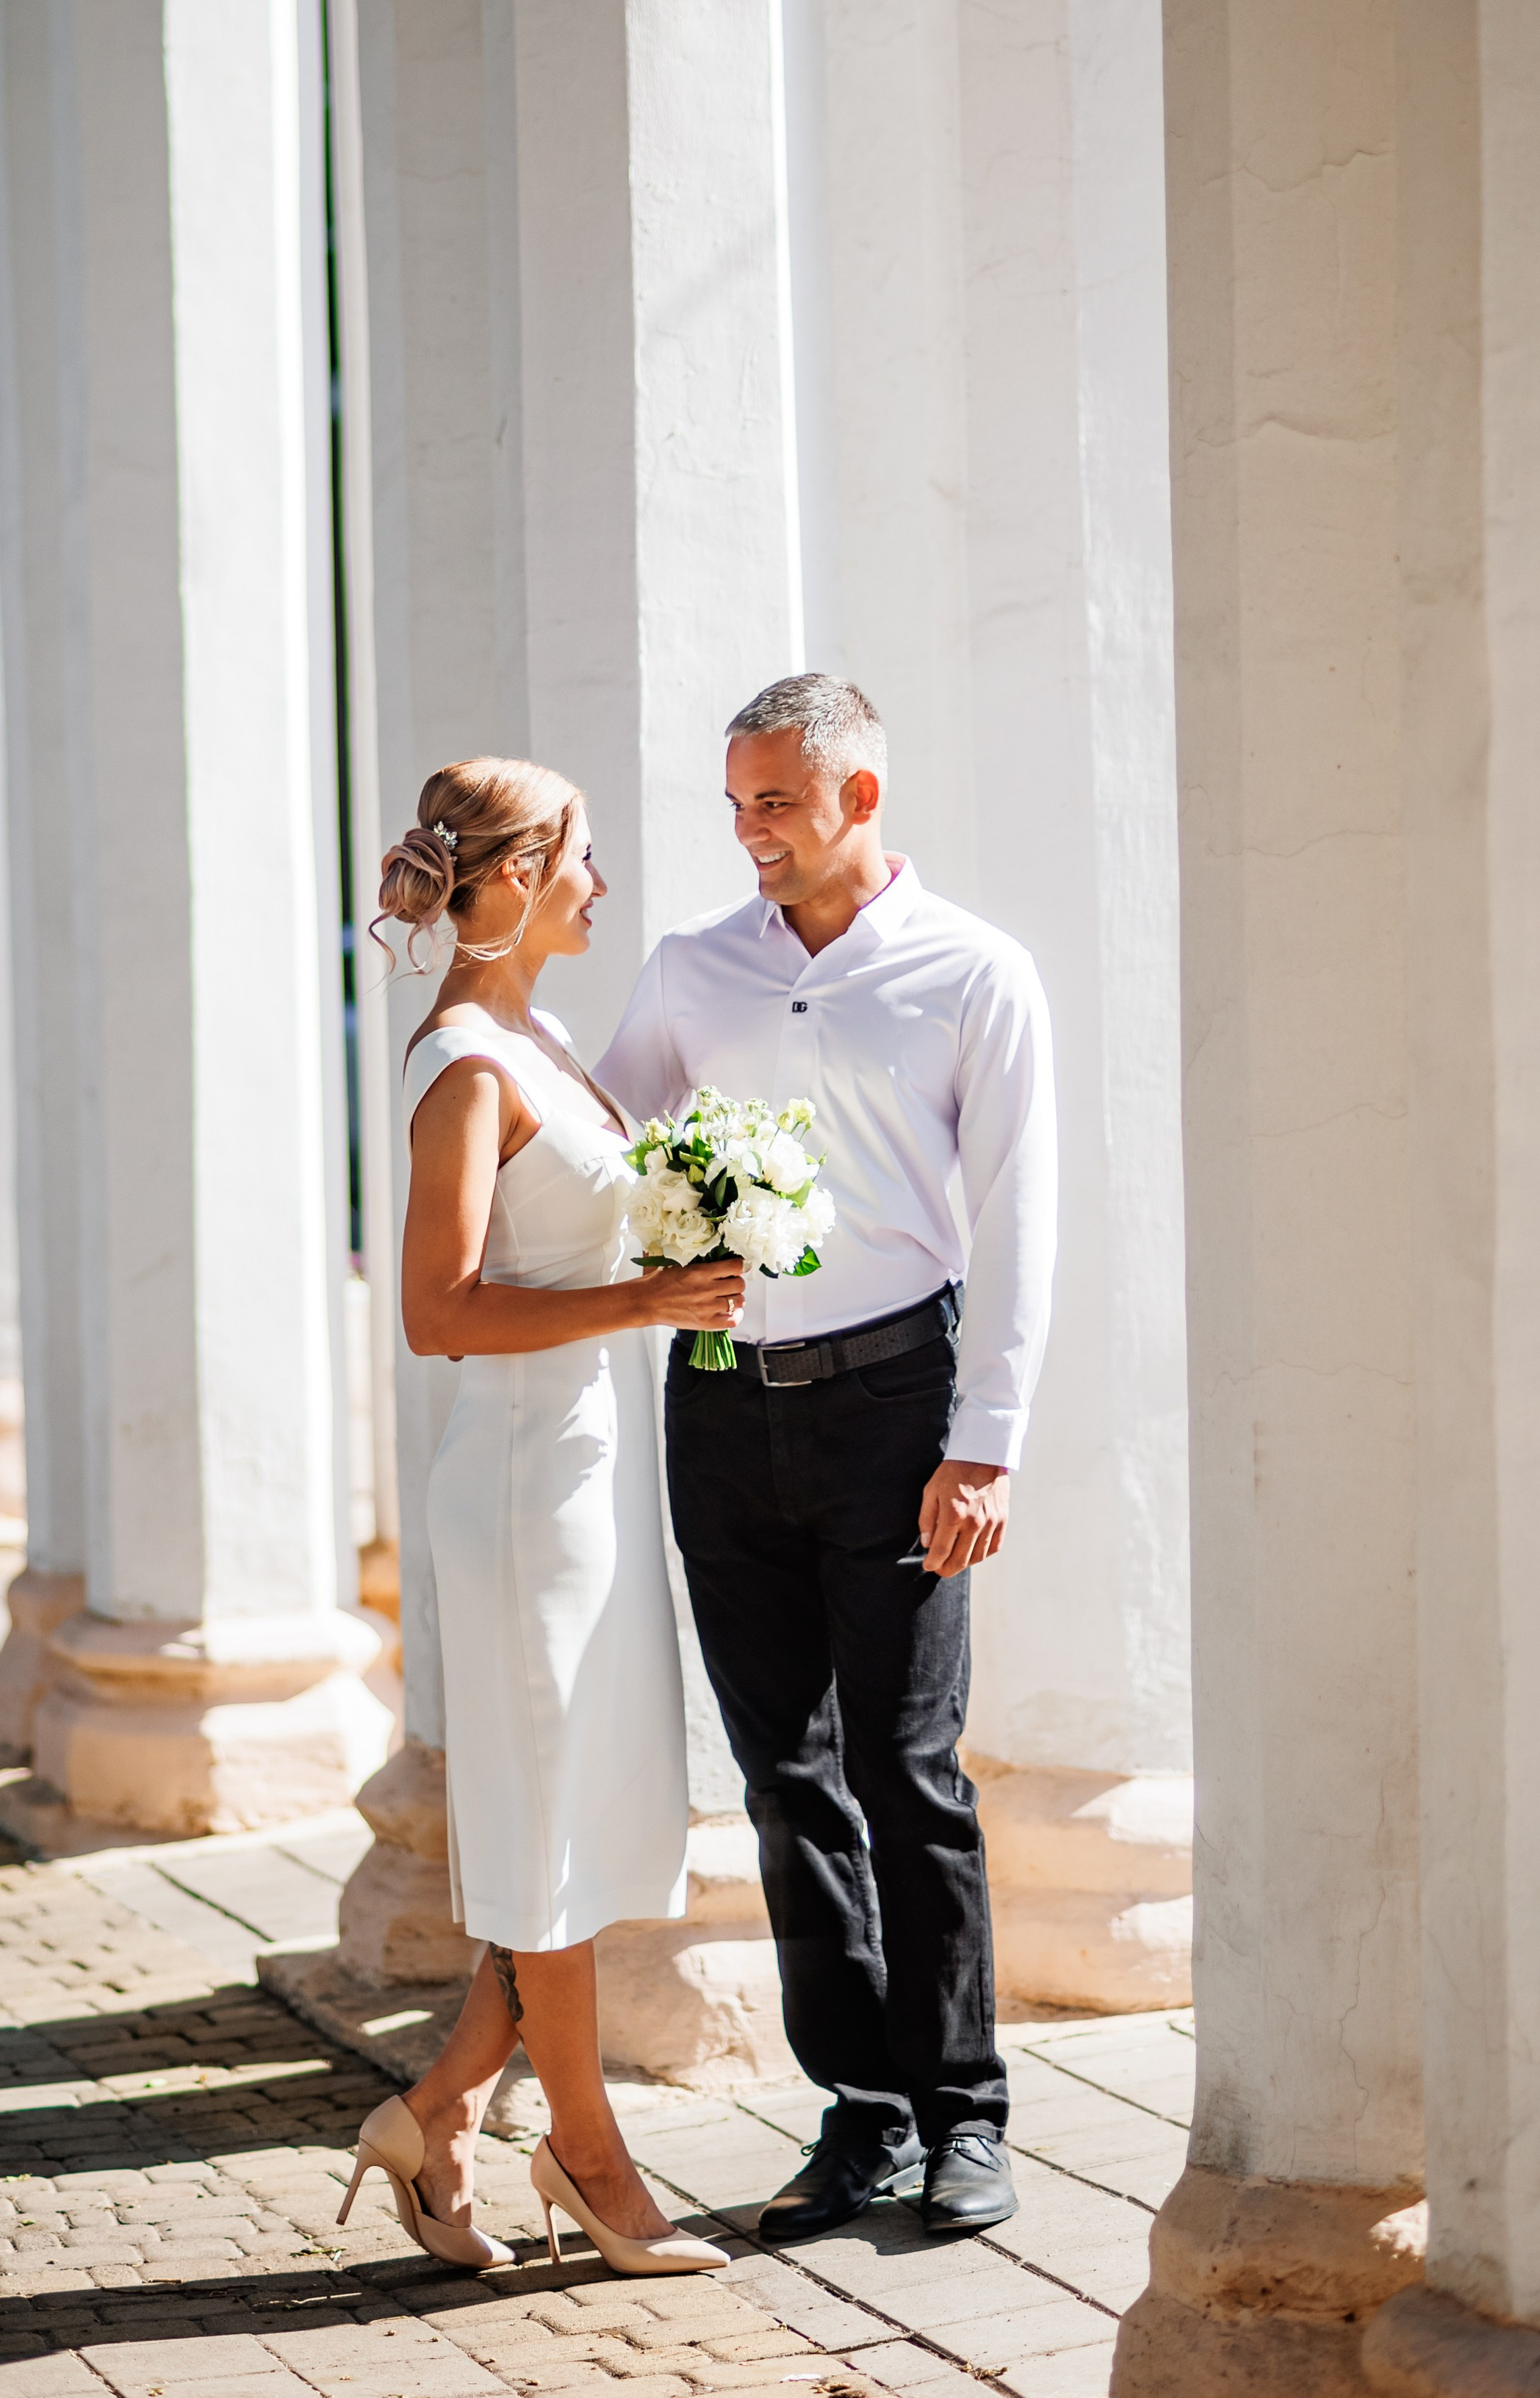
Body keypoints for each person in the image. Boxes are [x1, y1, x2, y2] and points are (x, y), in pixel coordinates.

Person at [598, 675, 1057, 2242]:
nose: (747, 834)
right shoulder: (690, 969)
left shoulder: (971, 973)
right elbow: (599, 1142)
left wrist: (982, 1446)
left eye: (773, 804)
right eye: (734, 803)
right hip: (717, 1397)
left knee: (904, 1769)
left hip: (894, 1409)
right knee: (783, 1781)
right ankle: (859, 2116)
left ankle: (964, 2115)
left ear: (859, 797)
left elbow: (1017, 1218)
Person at [339, 757, 743, 2276]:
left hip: (592, 1473)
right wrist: (650, 1296)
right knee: (549, 1829)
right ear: (508, 884)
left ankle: (436, 2111)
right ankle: (584, 2160)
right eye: (580, 861)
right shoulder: (463, 1066)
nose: (598, 885)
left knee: (575, 1815)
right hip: (522, 1495)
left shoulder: (541, 1036)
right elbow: (435, 1312)